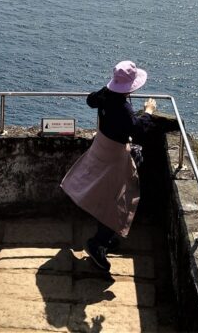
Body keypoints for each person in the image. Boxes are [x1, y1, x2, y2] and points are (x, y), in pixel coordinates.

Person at [61, 60, 172, 273]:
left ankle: (104, 237)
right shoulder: (123, 107)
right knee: (118, 202)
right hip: (114, 157)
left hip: (101, 148)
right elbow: (137, 129)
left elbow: (90, 101)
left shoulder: (105, 96)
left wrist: (108, 88)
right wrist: (148, 111)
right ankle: (98, 244)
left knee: (102, 195)